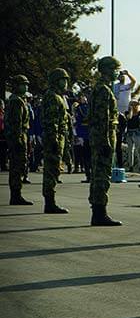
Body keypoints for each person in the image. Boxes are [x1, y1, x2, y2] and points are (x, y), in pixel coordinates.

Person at [88, 56, 124, 226]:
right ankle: (99, 213)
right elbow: (103, 118)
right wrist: (105, 142)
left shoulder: (101, 88)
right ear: (107, 69)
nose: (117, 72)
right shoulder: (103, 90)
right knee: (102, 177)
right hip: (103, 139)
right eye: (115, 69)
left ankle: (98, 212)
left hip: (100, 138)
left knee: (98, 176)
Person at [41, 69, 71, 214]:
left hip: (58, 138)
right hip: (54, 138)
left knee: (54, 170)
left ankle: (50, 201)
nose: (65, 83)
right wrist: (54, 140)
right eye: (62, 80)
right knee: (51, 171)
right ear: (55, 81)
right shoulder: (53, 97)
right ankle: (50, 203)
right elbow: (52, 121)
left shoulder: (57, 96)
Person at [5, 75, 33, 205]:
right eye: (23, 84)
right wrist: (19, 140)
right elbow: (17, 123)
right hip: (18, 137)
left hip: (19, 136)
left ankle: (16, 194)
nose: (25, 86)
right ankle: (16, 195)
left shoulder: (16, 99)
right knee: (17, 166)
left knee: (17, 166)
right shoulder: (16, 101)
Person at [124, 100, 140, 171]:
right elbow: (129, 117)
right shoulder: (127, 112)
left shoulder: (139, 113)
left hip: (137, 132)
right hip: (130, 133)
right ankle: (131, 166)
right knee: (130, 150)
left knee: (138, 150)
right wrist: (131, 110)